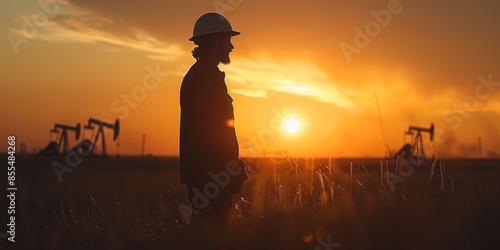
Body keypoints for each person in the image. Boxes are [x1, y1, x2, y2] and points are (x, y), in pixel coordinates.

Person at [179, 12, 248, 232]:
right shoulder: (205, 79)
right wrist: (225, 168)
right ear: (215, 40)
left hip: (209, 175)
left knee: (209, 236)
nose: (231, 47)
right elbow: (207, 132)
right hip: (211, 176)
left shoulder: (201, 76)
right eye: (228, 40)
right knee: (214, 237)